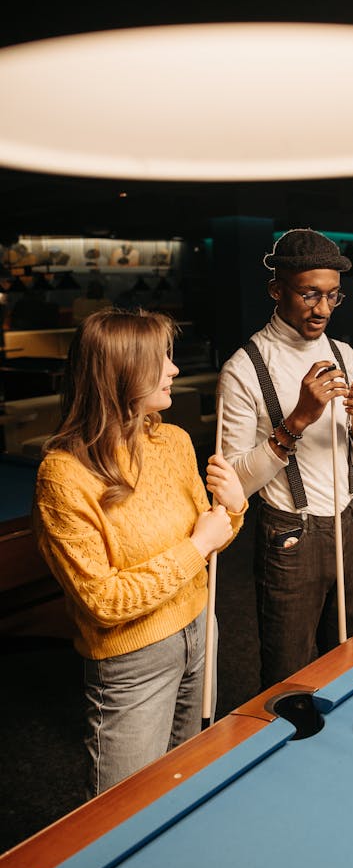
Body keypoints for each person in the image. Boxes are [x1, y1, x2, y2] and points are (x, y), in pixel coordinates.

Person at [33, 307, 247, 797]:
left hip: (200, 626)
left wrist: (233, 511)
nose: (174, 369)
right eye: (162, 359)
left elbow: (210, 536)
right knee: (121, 807)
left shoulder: (171, 441)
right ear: (121, 372)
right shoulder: (62, 476)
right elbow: (103, 602)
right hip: (132, 659)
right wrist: (200, 544)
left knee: (185, 778)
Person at [219, 229, 353, 689]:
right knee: (288, 675)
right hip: (290, 534)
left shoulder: (344, 355)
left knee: (351, 657)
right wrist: (297, 421)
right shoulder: (244, 368)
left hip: (352, 524)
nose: (323, 310)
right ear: (276, 290)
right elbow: (234, 484)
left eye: (333, 296)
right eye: (310, 294)